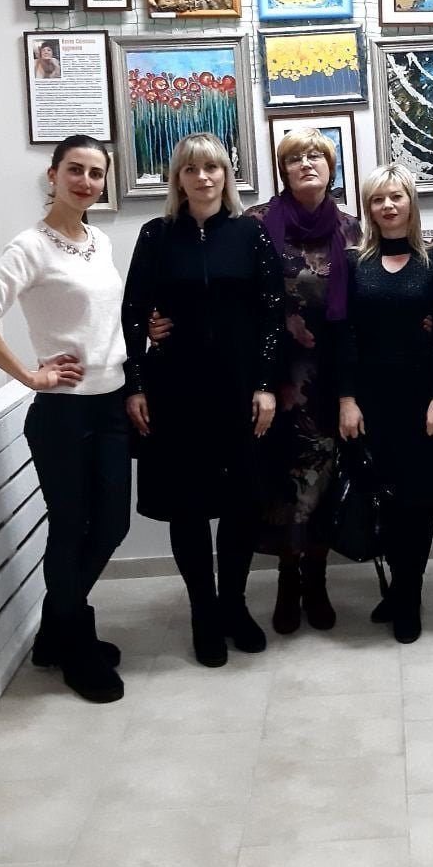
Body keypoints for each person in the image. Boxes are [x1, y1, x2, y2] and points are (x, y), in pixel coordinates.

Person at [0, 135, 128, 703]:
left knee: (113, 525)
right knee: (71, 526)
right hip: (63, 413)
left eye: (96, 173)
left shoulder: (99, 241)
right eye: (75, 170)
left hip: (110, 403)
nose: (86, 182)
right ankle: (74, 644)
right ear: (52, 175)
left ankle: (57, 628)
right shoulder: (30, 246)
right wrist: (30, 375)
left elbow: (99, 318)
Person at [121, 133, 285, 667]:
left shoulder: (249, 233)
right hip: (176, 391)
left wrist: (265, 384)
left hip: (239, 390)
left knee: (241, 504)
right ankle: (203, 613)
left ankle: (234, 604)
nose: (203, 177)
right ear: (178, 178)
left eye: (212, 167)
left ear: (226, 175)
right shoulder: (156, 234)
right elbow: (132, 313)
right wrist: (135, 382)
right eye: (191, 169)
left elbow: (273, 312)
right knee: (188, 508)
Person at [245, 126, 362, 634]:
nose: (307, 163)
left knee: (325, 481)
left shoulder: (353, 230)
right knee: (278, 483)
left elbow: (371, 299)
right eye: (296, 158)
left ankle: (316, 579)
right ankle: (287, 579)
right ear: (283, 170)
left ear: (331, 168)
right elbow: (232, 296)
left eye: (317, 155)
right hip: (274, 379)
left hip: (333, 380)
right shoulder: (255, 224)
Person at [336, 165, 433, 643]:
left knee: (419, 502)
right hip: (370, 401)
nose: (388, 206)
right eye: (378, 199)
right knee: (380, 498)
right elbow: (343, 334)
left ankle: (409, 592)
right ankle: (395, 585)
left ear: (410, 202)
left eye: (396, 197)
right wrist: (347, 398)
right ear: (368, 208)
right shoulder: (353, 263)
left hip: (420, 399)